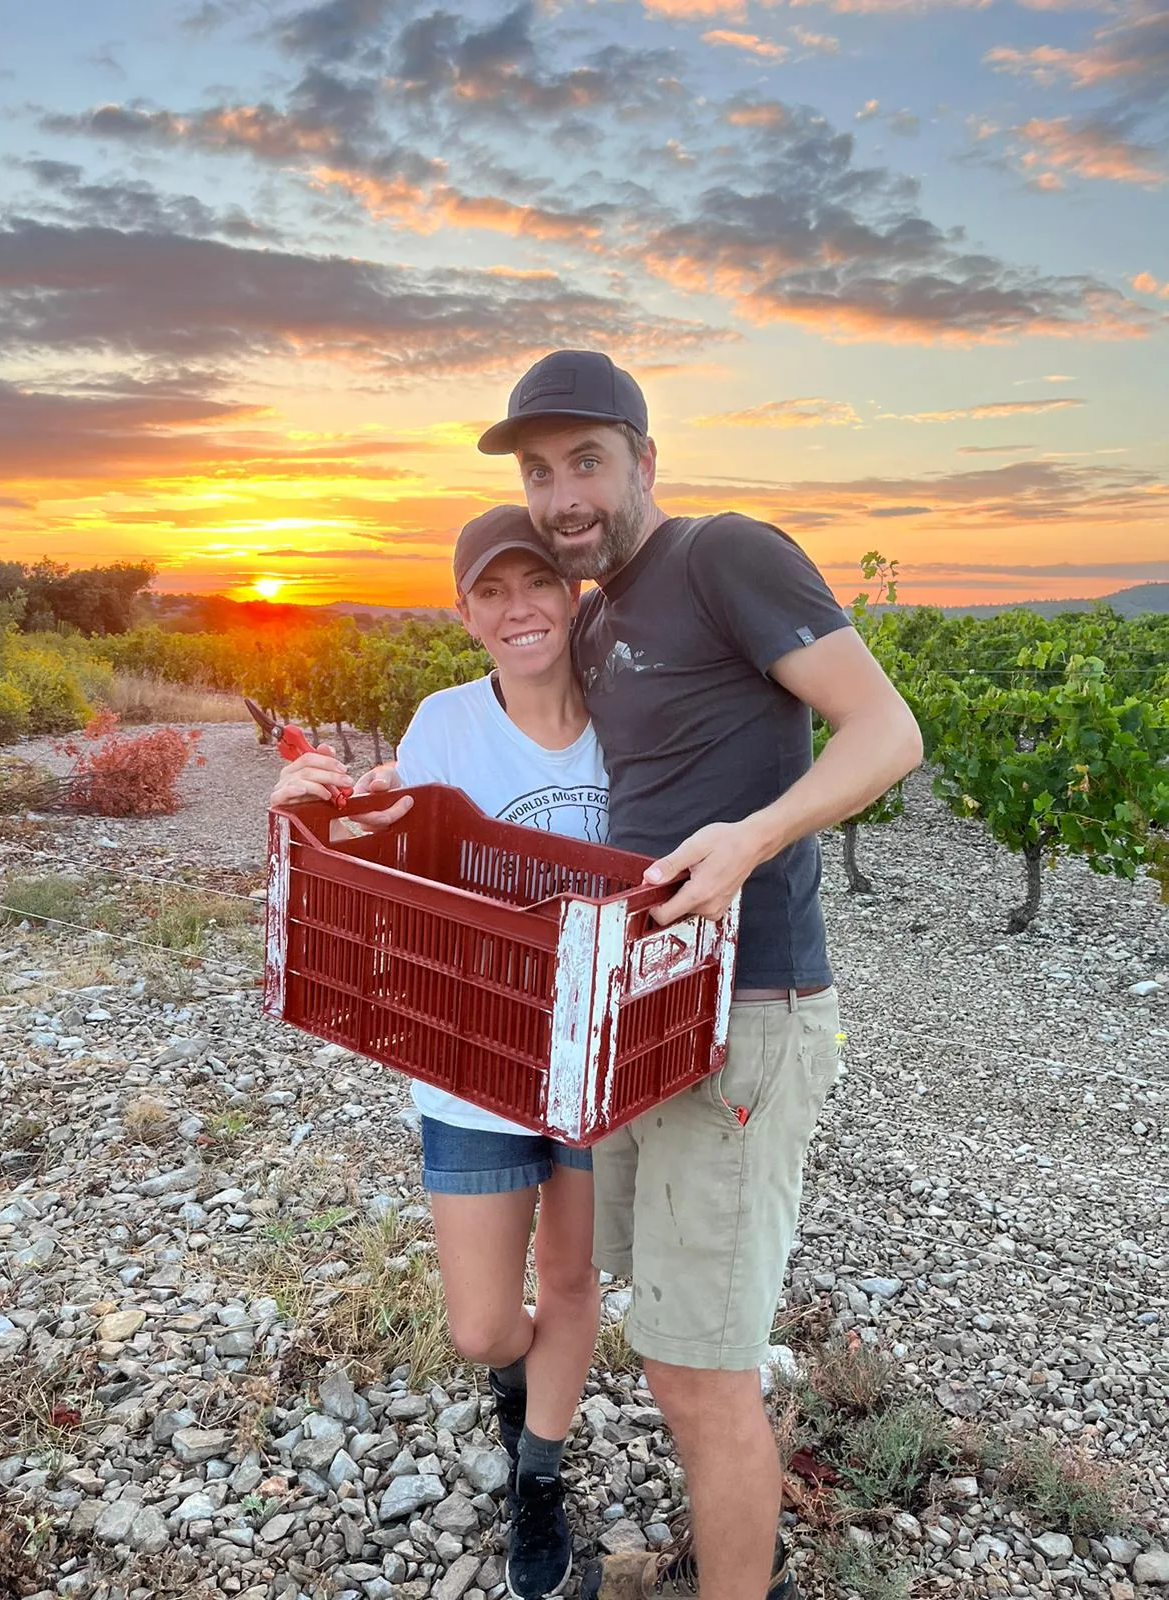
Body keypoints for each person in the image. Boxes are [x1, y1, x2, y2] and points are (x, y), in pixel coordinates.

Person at [475, 351, 924, 1600]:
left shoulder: (727, 553)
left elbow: (889, 732)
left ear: (643, 460)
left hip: (750, 1004)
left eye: (585, 461)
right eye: (538, 471)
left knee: (699, 1365)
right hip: (649, 1011)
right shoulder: (603, 612)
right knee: (663, 1332)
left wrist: (755, 837)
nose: (561, 493)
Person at [269, 505, 609, 1600]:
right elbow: (386, 844)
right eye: (493, 592)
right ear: (466, 614)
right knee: (478, 1323)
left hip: (603, 1050)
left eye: (538, 583)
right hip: (475, 1050)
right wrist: (304, 816)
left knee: (569, 1276)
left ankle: (541, 1473)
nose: (519, 609)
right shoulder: (447, 720)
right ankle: (520, 1385)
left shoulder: (629, 715)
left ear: (573, 593)